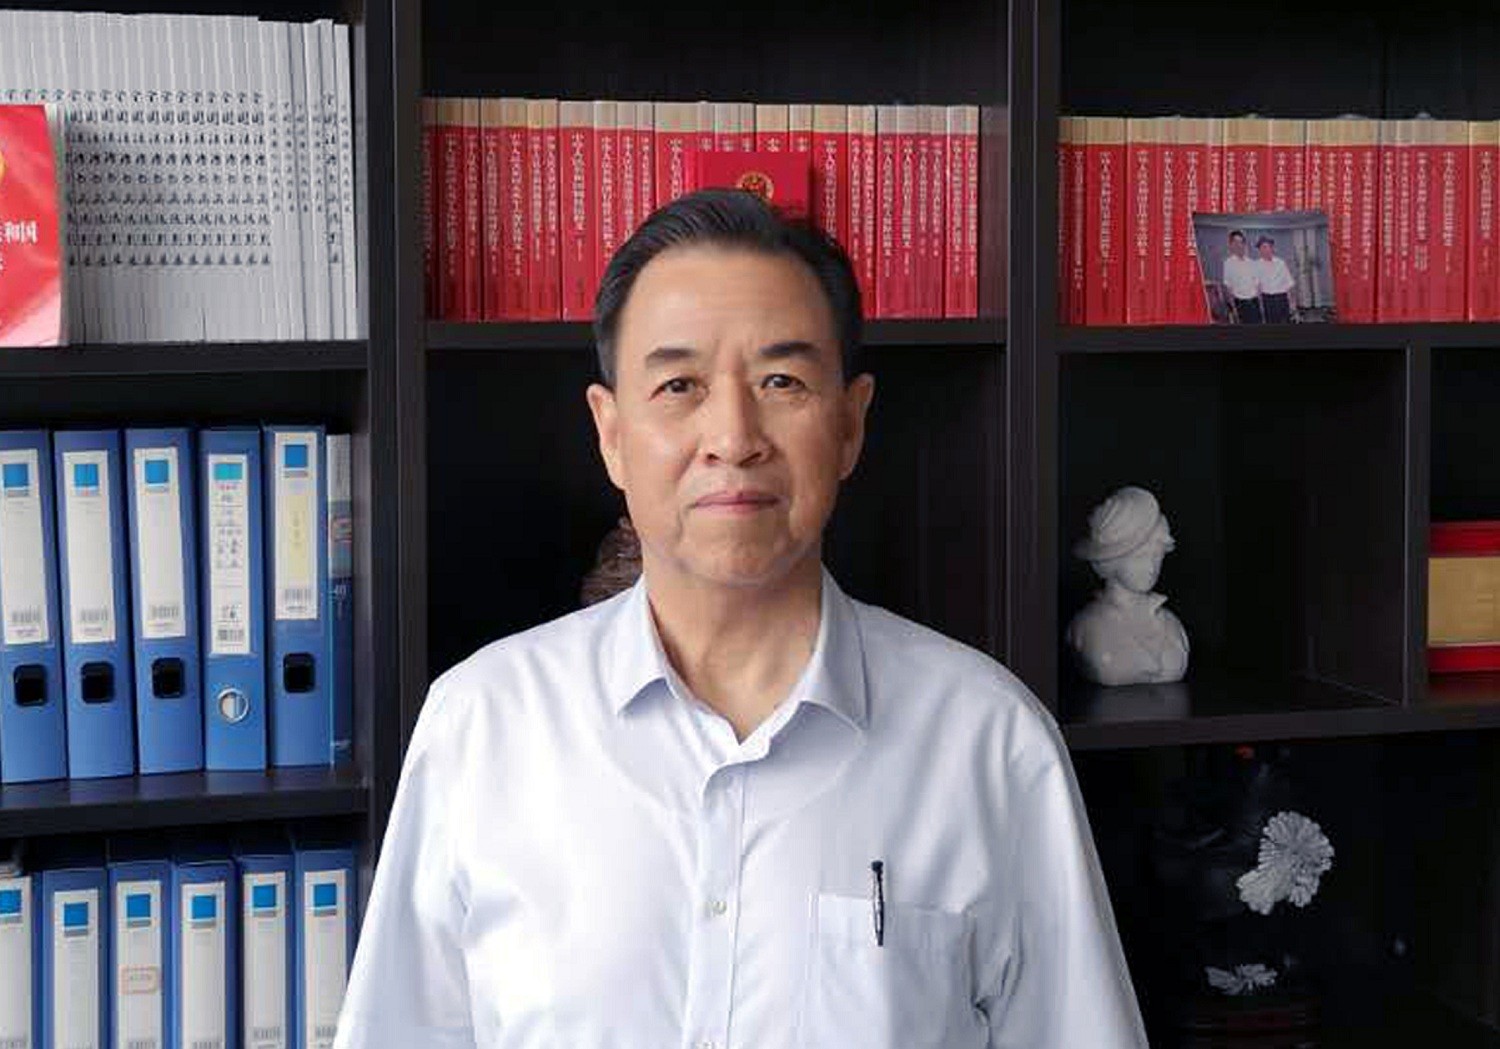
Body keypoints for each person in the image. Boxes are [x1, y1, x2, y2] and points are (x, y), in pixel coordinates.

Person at [334, 189, 1148, 1049]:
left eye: (781, 381)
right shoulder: (483, 725)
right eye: (679, 385)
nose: (733, 435)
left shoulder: (989, 740)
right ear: (611, 433)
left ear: (850, 423)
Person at [1065, 486, 1190, 686]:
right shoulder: (1088, 627)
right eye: (1140, 556)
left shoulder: (1171, 625)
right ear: (1111, 559)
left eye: (1157, 555)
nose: (1151, 565)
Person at [1221, 229, 1262, 323]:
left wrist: (1260, 305)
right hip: (1240, 304)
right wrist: (1234, 308)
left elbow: (1257, 285)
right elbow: (1228, 287)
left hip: (1254, 302)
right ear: (1231, 245)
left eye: (1241, 242)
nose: (1238, 245)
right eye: (1235, 242)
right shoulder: (1228, 263)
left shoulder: (1252, 263)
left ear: (1244, 244)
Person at [1253, 235, 1296, 322]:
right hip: (1268, 300)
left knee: (1286, 323)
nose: (1264, 250)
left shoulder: (1281, 263)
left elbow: (1289, 284)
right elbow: (1257, 287)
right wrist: (1260, 306)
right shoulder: (1256, 265)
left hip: (1282, 299)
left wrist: (1293, 304)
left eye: (1266, 247)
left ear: (1272, 248)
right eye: (1261, 248)